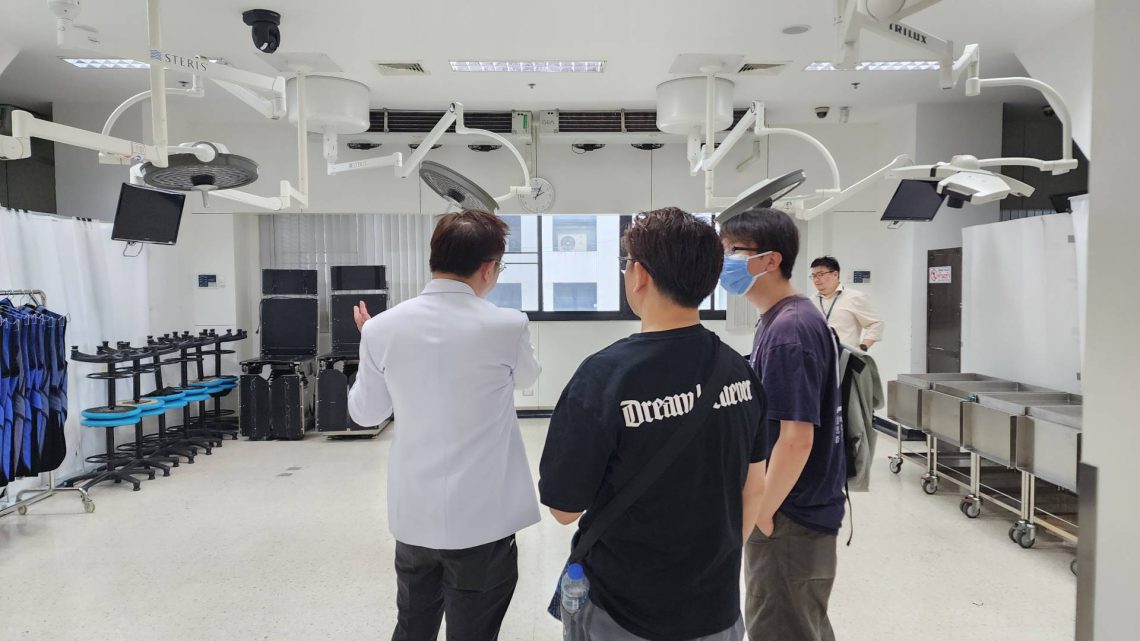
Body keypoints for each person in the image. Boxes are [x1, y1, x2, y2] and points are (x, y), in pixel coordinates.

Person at [538, 208, 769, 641]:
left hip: (622, 612)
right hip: (715, 609)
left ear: (639, 275)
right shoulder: (740, 372)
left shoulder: (604, 377)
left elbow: (564, 511)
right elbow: (754, 488)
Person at [348, 209, 542, 641]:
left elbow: (365, 414)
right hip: (483, 521)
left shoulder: (381, 329)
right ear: (489, 268)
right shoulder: (507, 325)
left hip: (414, 517)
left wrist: (371, 347)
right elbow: (528, 380)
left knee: (413, 625)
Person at [719, 208, 845, 641]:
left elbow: (796, 438)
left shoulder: (790, 330)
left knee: (782, 626)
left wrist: (763, 511)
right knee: (800, 623)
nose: (724, 262)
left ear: (770, 260)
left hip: (791, 513)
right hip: (797, 507)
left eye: (732, 251)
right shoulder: (784, 318)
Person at [810, 256, 884, 351]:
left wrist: (862, 348)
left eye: (820, 275)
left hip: (844, 356)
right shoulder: (811, 301)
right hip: (817, 355)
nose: (816, 279)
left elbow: (876, 324)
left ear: (835, 274)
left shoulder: (854, 297)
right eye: (814, 276)